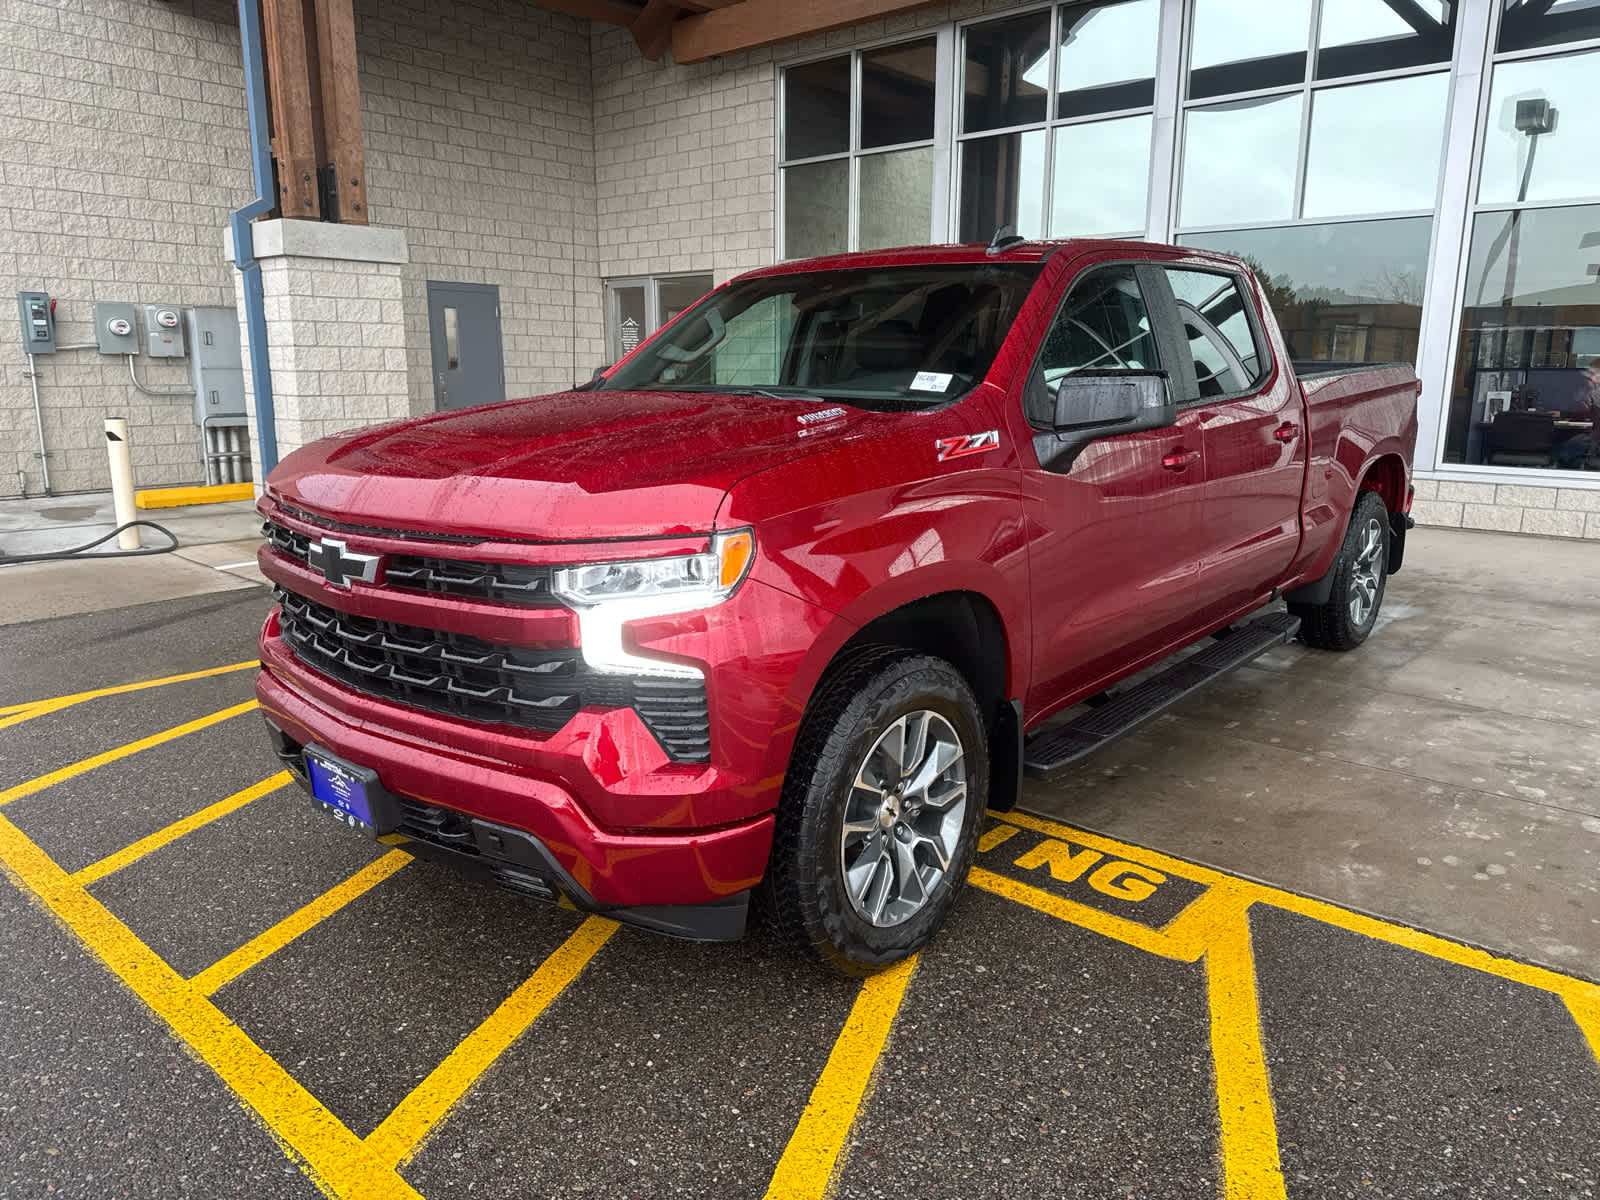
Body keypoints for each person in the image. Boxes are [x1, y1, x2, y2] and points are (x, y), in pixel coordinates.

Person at [1554, 360, 1600, 469]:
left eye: (1593, 374)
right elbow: (1588, 413)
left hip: (1595, 441)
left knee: (1561, 451)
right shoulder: (1594, 392)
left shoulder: (1596, 394)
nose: (1589, 377)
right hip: (1593, 439)